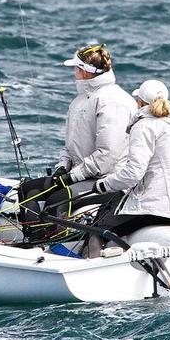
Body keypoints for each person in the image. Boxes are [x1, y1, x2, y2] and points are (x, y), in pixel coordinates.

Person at [18, 43, 136, 241]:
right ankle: (33, 241)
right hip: (79, 175)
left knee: (56, 202)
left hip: (107, 180)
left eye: (76, 67)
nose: (74, 71)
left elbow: (107, 155)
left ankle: (48, 247)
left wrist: (73, 177)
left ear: (86, 71)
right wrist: (62, 168)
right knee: (26, 190)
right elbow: (70, 145)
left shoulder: (114, 101)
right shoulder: (80, 100)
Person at [82, 79, 170, 258]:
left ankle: (90, 267)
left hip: (156, 209)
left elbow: (133, 174)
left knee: (97, 229)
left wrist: (103, 185)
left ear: (140, 103)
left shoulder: (144, 125)